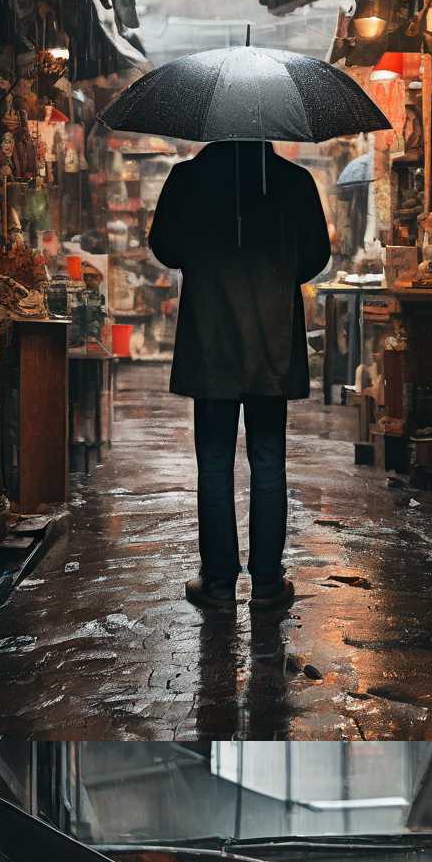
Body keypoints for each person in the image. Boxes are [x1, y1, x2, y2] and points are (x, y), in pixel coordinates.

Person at [148, 139, 331, 613]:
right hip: (272, 337)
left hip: (211, 337)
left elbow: (164, 247)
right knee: (268, 459)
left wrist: (206, 255)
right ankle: (268, 583)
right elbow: (315, 257)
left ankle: (219, 584)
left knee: (214, 462)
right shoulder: (294, 182)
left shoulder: (187, 179)